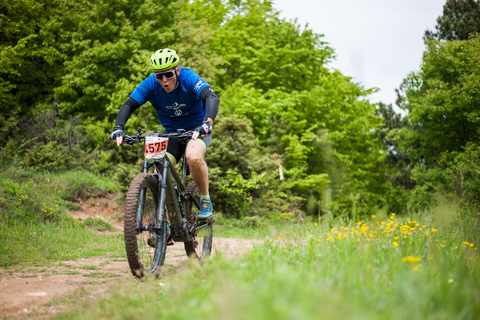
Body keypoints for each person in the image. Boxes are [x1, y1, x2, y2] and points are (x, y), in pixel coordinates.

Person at [110, 48, 219, 219]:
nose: (164, 80)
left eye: (168, 74)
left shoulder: (188, 78)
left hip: (197, 129)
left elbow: (212, 98)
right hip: (171, 133)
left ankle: (205, 199)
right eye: (159, 76)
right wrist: (118, 128)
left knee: (194, 157)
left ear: (177, 70)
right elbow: (129, 105)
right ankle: (164, 217)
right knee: (159, 166)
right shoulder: (150, 85)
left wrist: (208, 123)